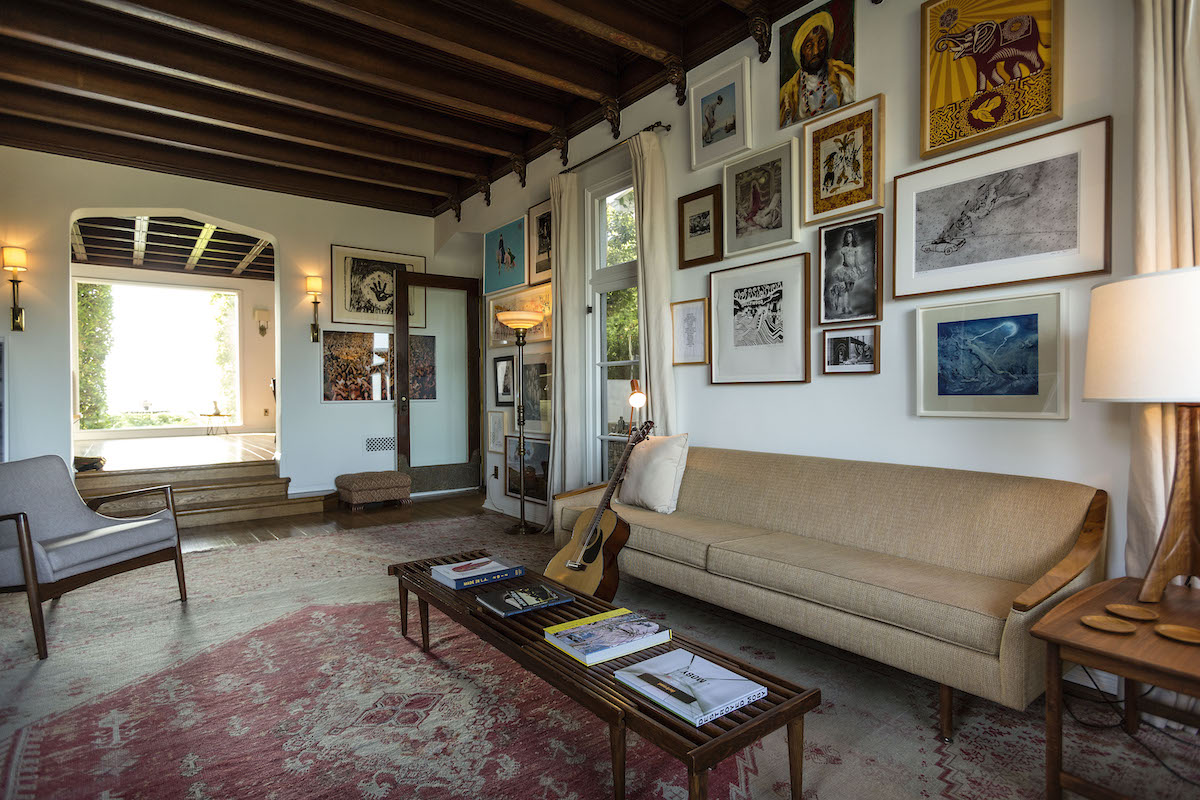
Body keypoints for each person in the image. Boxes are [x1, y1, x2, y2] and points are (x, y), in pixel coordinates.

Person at [779, 11, 855, 127]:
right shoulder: (788, 92)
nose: (816, 51)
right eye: (809, 46)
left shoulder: (842, 76)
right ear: (801, 52)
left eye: (821, 42)